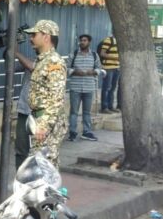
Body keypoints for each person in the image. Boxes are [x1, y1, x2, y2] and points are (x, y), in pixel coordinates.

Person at [25, 20, 68, 168]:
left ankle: (49, 191)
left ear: (46, 37)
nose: (31, 38)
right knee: (41, 164)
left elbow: (56, 98)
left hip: (47, 121)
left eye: (34, 34)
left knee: (44, 165)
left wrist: (43, 125)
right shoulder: (42, 60)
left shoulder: (54, 62)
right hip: (39, 119)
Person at [67, 34, 101, 142]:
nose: (82, 42)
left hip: (89, 87)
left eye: (84, 40)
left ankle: (86, 132)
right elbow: (67, 69)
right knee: (74, 112)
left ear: (89, 42)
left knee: (87, 112)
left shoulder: (94, 55)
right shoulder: (74, 54)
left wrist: (94, 72)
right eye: (81, 40)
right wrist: (76, 72)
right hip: (75, 88)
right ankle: (72, 133)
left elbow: (99, 69)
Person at [13, 50, 35, 169]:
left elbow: (32, 67)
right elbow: (11, 68)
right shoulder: (31, 58)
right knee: (21, 149)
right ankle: (21, 180)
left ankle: (38, 183)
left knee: (38, 152)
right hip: (24, 110)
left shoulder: (51, 60)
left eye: (34, 35)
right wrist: (9, 52)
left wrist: (16, 51)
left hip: (39, 114)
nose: (31, 39)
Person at [99, 29, 120, 113]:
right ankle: (104, 107)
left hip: (117, 67)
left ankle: (110, 106)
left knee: (113, 88)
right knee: (106, 88)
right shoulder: (108, 40)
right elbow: (102, 53)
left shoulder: (119, 41)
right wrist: (115, 58)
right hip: (108, 68)